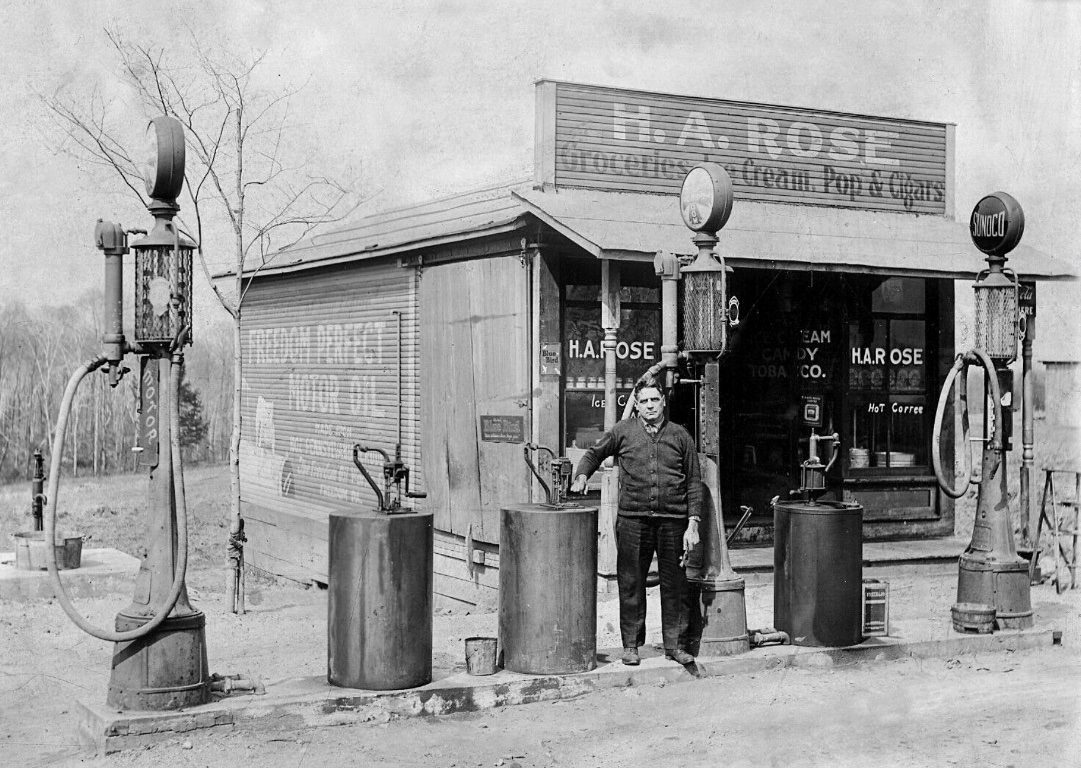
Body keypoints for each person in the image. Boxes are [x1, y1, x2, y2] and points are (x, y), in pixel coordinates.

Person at [569, 378, 702, 666]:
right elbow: (594, 453)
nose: (650, 405)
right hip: (632, 521)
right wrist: (581, 475)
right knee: (631, 583)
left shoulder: (680, 435)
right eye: (644, 401)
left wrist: (693, 524)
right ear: (637, 406)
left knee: (675, 585)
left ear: (663, 402)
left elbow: (693, 481)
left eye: (654, 400)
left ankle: (675, 645)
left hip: (673, 522)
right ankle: (631, 646)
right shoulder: (623, 431)